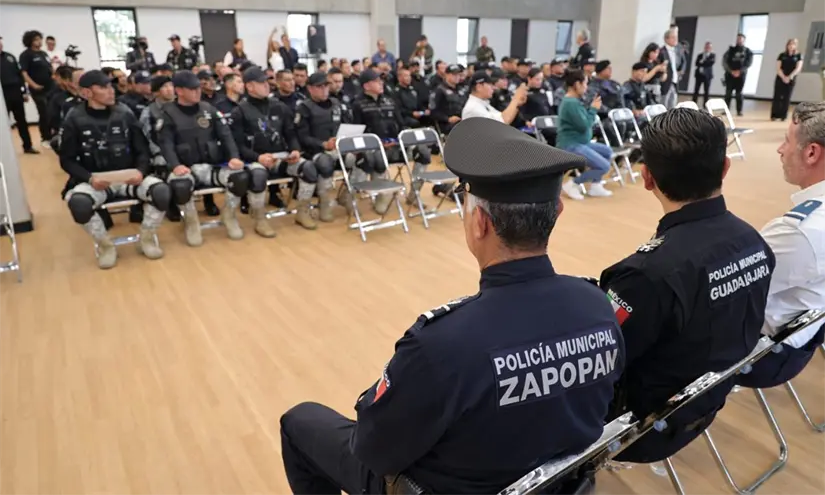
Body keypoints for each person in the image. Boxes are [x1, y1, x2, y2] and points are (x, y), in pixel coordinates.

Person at [279, 116, 624, 495]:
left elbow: (373, 452)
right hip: (558, 487)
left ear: (479, 223)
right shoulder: (598, 305)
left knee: (299, 422)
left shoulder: (441, 346)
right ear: (557, 211)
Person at [600, 108, 774, 464]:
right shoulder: (755, 242)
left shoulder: (646, 275)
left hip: (644, 426)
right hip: (705, 403)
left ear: (646, 177)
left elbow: (603, 361)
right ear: (725, 167)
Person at [737, 102, 825, 388]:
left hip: (768, 353)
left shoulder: (801, 231)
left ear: (811, 152)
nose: (780, 149)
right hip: (805, 335)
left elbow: (730, 293)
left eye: (788, 140)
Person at [59, 70, 169, 269]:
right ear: (86, 93)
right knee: (79, 204)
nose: (111, 91)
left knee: (161, 192)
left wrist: (141, 172)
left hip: (129, 179)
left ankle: (146, 237)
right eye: (103, 87)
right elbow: (66, 161)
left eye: (111, 86)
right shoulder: (74, 119)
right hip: (96, 181)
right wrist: (89, 179)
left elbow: (142, 151)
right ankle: (106, 245)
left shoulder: (125, 113)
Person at [157, 71, 249, 246]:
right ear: (180, 91)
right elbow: (166, 145)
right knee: (181, 185)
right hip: (185, 168)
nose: (197, 92)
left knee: (240, 176)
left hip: (211, 166)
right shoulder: (168, 113)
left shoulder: (208, 109)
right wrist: (175, 166)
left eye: (198, 88)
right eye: (192, 89)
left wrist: (234, 157)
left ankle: (229, 215)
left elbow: (226, 135)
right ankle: (192, 222)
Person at [230, 67, 317, 234]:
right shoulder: (239, 111)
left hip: (280, 158)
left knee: (308, 168)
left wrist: (295, 150)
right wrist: (258, 157)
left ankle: (302, 211)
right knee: (258, 175)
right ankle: (260, 219)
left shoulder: (279, 106)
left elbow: (290, 134)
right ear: (249, 86)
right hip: (254, 160)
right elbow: (237, 145)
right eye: (261, 83)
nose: (266, 86)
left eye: (267, 82)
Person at [352, 69, 432, 212]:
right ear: (366, 86)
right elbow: (357, 133)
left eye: (380, 80)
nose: (381, 83)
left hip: (396, 145)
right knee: (378, 157)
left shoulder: (390, 100)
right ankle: (381, 196)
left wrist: (399, 140)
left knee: (423, 152)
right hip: (374, 148)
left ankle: (414, 194)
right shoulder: (357, 104)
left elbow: (401, 125)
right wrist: (377, 143)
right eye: (376, 81)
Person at [295, 73, 349, 222]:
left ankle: (347, 195)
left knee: (360, 157)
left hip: (338, 147)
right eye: (320, 87)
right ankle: (324, 204)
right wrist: (323, 144)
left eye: (326, 86)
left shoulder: (336, 103)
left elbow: (346, 124)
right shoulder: (304, 108)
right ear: (310, 89)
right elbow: (302, 137)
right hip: (315, 151)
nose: (324, 89)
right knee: (325, 162)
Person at [556, 69, 612, 200]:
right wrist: (593, 109)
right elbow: (584, 125)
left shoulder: (574, 102)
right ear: (577, 84)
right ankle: (572, 184)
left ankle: (595, 186)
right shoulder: (570, 104)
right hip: (570, 145)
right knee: (604, 166)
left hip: (581, 143)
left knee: (607, 152)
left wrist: (591, 109)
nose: (586, 87)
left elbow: (584, 120)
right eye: (585, 84)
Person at [19, 30, 55, 148]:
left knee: (52, 111)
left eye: (40, 39)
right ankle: (45, 137)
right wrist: (33, 85)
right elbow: (24, 73)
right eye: (36, 39)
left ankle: (53, 135)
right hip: (38, 89)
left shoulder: (43, 54)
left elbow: (50, 68)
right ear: (30, 41)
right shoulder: (26, 55)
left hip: (51, 87)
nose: (39, 42)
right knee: (44, 112)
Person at [0, 36, 36, 153]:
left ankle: (27, 146)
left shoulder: (9, 57)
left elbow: (20, 75)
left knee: (22, 121)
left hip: (15, 92)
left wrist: (24, 91)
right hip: (2, 95)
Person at [771, 38, 804, 122]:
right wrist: (783, 77)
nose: (791, 46)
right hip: (780, 77)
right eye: (790, 44)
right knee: (777, 96)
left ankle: (783, 116)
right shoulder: (782, 55)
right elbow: (778, 68)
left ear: (796, 46)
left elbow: (798, 68)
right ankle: (774, 115)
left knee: (786, 97)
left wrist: (790, 77)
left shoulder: (798, 56)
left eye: (793, 44)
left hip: (791, 78)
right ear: (787, 45)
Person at [722, 34, 753, 117]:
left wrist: (739, 71)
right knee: (728, 93)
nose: (739, 40)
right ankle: (726, 110)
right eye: (738, 39)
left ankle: (739, 111)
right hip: (730, 74)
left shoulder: (748, 51)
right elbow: (724, 61)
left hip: (741, 76)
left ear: (744, 41)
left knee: (739, 93)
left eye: (741, 39)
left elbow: (748, 63)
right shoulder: (730, 50)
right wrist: (731, 71)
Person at [429, 64, 465, 135]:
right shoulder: (439, 91)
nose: (457, 77)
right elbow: (433, 112)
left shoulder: (461, 90)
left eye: (458, 74)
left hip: (462, 120)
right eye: (454, 74)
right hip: (447, 124)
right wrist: (447, 119)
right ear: (446, 75)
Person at [658, 28, 686, 110]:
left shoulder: (677, 51)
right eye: (673, 37)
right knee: (663, 107)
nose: (676, 39)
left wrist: (681, 71)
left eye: (676, 37)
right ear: (666, 39)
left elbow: (683, 62)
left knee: (672, 107)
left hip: (674, 82)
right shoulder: (661, 52)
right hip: (665, 83)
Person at [692, 41, 715, 107]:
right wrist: (703, 62)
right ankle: (694, 104)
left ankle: (705, 105)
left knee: (706, 91)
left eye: (709, 47)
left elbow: (710, 63)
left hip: (707, 76)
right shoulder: (700, 55)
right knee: (696, 90)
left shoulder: (712, 55)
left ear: (711, 48)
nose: (707, 48)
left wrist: (702, 62)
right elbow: (696, 63)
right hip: (699, 75)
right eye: (706, 47)